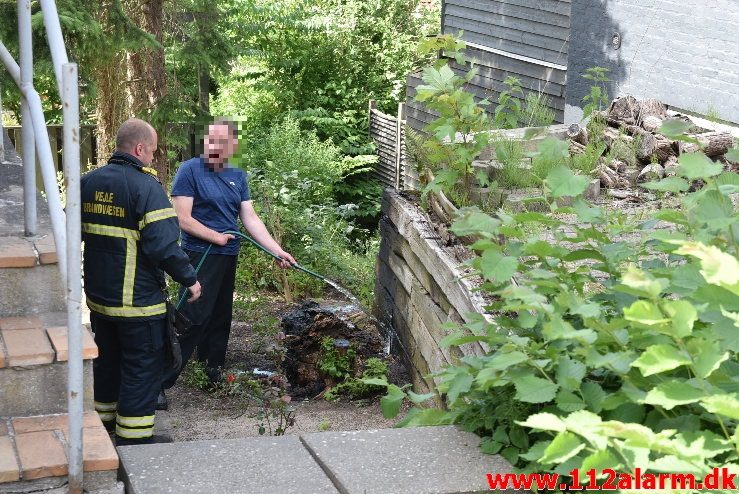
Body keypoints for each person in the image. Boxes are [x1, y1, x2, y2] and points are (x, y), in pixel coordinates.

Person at [158, 119, 295, 408]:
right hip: (199, 254)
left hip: (227, 255)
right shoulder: (189, 171)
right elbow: (182, 217)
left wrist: (277, 251)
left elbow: (250, 218)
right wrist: (215, 237)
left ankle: (212, 371)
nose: (216, 147)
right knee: (192, 318)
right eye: (212, 141)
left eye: (223, 142)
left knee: (220, 317)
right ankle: (158, 382)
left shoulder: (237, 174)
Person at [82, 118, 201, 445]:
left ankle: (104, 424)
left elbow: (69, 234)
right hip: (138, 303)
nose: (153, 155)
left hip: (100, 300)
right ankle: (134, 439)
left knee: (107, 361)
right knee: (141, 365)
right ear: (139, 148)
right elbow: (163, 245)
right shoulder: (146, 188)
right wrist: (190, 279)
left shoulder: (87, 183)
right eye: (152, 149)